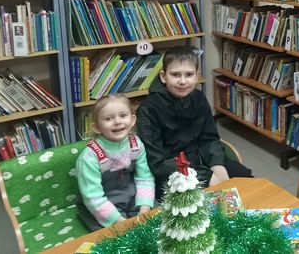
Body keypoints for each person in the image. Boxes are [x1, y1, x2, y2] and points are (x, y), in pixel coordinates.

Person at [137, 47, 252, 200]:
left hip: (203, 156)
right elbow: (157, 162)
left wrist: (217, 165)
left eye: (189, 74)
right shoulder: (148, 108)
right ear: (163, 77)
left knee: (246, 182)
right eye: (175, 74)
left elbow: (210, 138)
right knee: (204, 204)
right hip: (173, 170)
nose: (182, 81)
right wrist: (206, 176)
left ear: (197, 76)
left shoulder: (199, 97)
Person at [76, 94, 155, 231]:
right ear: (97, 127)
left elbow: (145, 178)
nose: (117, 121)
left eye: (123, 115)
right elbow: (93, 198)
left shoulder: (136, 144)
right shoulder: (89, 157)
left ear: (133, 120)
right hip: (100, 205)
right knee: (118, 236)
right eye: (108, 118)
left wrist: (145, 208)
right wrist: (120, 221)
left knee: (158, 220)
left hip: (132, 197)